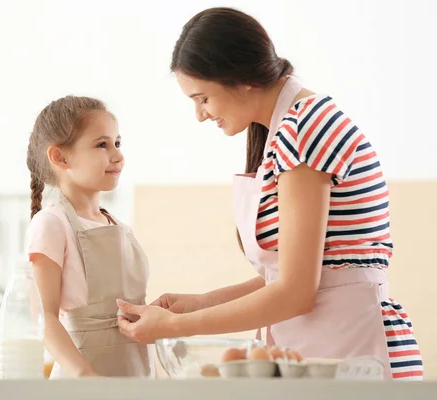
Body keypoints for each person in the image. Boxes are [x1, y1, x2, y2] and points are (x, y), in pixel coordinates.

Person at [116, 7, 423, 381]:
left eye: (202, 98)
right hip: (333, 349)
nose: (200, 115)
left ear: (240, 78)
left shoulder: (303, 129)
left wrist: (176, 327)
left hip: (355, 355)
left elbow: (295, 292)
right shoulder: (291, 129)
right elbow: (294, 275)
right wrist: (195, 306)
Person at [25, 95, 152, 378]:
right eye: (102, 145)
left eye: (117, 143)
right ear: (60, 157)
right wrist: (86, 378)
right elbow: (44, 318)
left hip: (138, 377)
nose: (118, 156)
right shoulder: (51, 224)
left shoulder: (122, 227)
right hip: (84, 385)